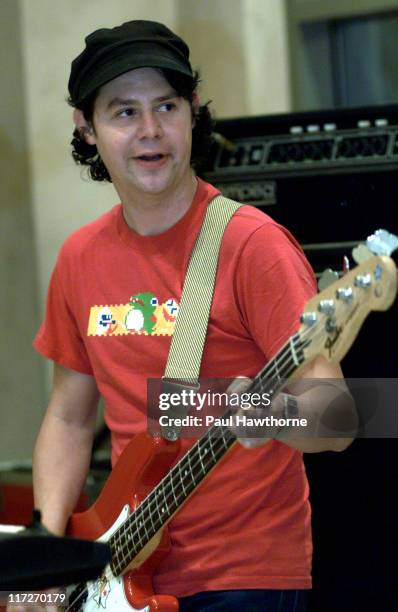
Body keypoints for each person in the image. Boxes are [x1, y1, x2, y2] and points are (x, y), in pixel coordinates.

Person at [31, 20, 356, 612]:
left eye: (166, 106)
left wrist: (265, 409)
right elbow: (71, 421)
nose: (151, 131)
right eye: (124, 112)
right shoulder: (80, 257)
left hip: (245, 576)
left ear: (192, 111)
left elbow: (337, 419)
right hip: (125, 573)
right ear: (86, 125)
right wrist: (49, 554)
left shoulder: (251, 244)